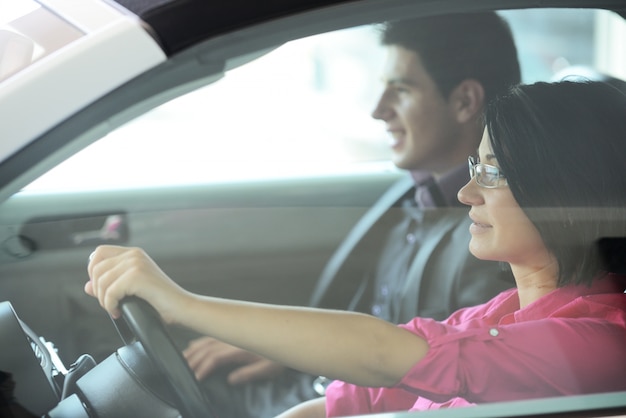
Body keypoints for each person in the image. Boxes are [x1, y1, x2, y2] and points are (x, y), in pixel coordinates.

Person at [85, 80, 626, 417]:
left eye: (495, 172)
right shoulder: (503, 314)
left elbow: (387, 354)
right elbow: (365, 394)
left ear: (566, 189)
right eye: (474, 168)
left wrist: (185, 306)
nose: (466, 193)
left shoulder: (597, 344)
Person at [178, 12, 520, 417]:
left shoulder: (492, 240)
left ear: (464, 101)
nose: (378, 111)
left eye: (401, 90)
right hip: (319, 386)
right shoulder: (413, 197)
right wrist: (287, 352)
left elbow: (446, 387)